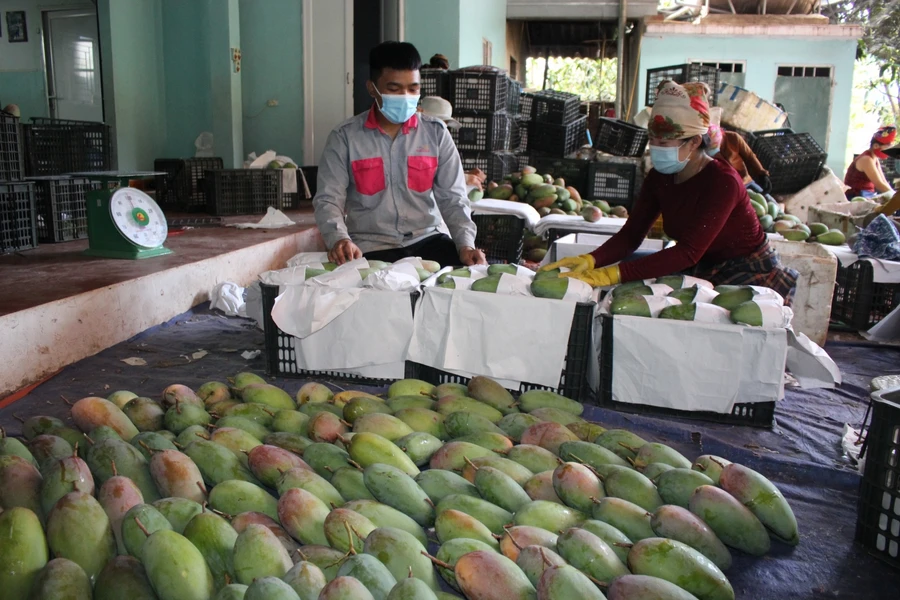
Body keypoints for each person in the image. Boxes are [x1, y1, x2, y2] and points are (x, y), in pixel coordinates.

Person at [541, 81, 798, 304]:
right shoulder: (659, 178)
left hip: (745, 270)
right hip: (700, 265)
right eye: (652, 140)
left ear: (695, 141)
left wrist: (610, 274)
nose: (654, 149)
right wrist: (591, 260)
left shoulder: (723, 182)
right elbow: (631, 236)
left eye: (663, 143)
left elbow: (688, 251)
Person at [313, 42, 486, 268]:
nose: (405, 96)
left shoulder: (436, 134)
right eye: (394, 89)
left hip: (427, 241)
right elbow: (328, 199)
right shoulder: (345, 137)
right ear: (372, 88)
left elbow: (453, 198)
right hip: (370, 247)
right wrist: (340, 239)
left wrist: (465, 245)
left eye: (413, 89)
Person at [417, 96, 486, 192]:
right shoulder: (408, 140)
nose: (439, 129)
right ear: (419, 112)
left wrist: (463, 174)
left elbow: (439, 170)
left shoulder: (439, 142)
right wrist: (464, 178)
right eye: (435, 122)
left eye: (444, 124)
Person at [844, 126, 897, 200]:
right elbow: (879, 184)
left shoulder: (874, 158)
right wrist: (896, 198)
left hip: (866, 195)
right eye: (888, 146)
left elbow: (883, 181)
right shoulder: (866, 159)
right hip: (856, 197)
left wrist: (894, 194)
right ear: (876, 146)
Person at [719, 130, 771, 194]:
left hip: (746, 181)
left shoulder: (733, 137)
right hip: (730, 189)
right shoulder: (707, 151)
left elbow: (750, 156)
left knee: (768, 200)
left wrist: (762, 173)